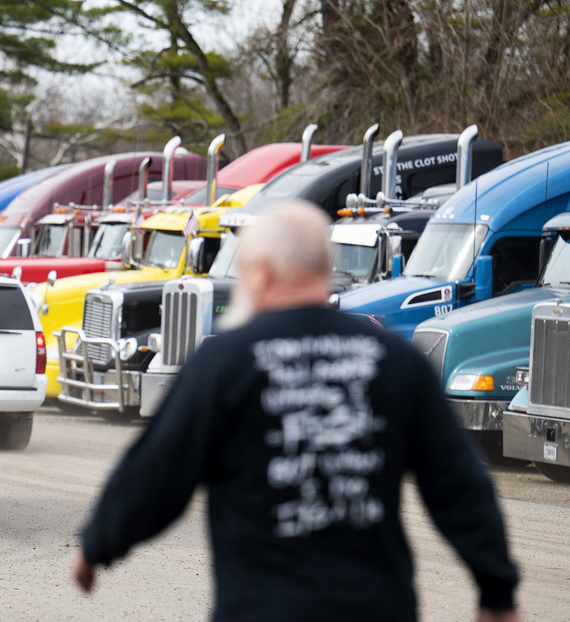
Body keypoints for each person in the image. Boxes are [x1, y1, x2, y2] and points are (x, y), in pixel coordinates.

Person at [73, 201, 520, 622]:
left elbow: (158, 471)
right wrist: (496, 587)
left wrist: (98, 545)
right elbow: (458, 480)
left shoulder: (224, 362)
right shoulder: (394, 360)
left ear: (263, 272)